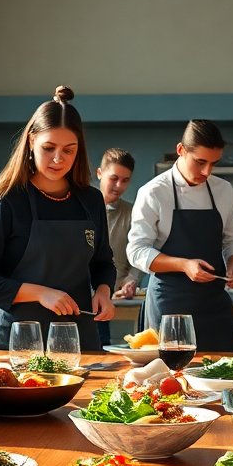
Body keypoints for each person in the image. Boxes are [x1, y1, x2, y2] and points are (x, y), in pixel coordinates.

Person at [0, 86, 116, 351]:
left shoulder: (91, 200)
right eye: (49, 148)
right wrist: (41, 293)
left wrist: (103, 290)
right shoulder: (7, 202)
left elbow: (103, 262)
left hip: (78, 337)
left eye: (69, 150)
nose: (58, 159)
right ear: (31, 141)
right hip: (20, 339)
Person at [128, 120, 233, 351]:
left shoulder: (223, 190)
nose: (206, 172)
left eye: (214, 163)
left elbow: (232, 238)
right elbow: (137, 251)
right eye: (200, 162)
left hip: (214, 303)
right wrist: (184, 265)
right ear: (181, 150)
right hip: (170, 304)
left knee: (226, 373)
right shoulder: (154, 192)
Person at [96, 147, 137, 346]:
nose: (119, 185)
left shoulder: (133, 212)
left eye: (125, 180)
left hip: (113, 296)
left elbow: (139, 250)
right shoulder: (78, 207)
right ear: (99, 173)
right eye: (114, 178)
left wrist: (132, 278)